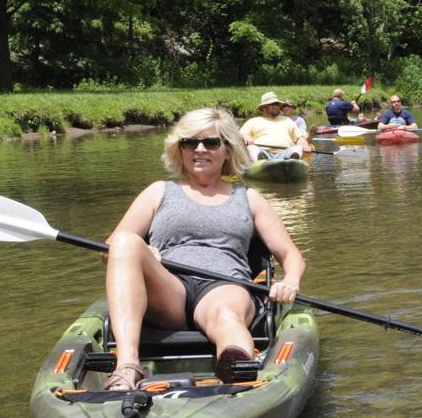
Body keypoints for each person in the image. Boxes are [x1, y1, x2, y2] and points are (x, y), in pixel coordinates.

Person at [101, 108, 306, 391]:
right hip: (168, 290)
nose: (199, 149)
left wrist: (290, 281)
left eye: (210, 143)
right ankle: (127, 368)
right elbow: (110, 250)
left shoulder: (249, 198)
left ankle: (236, 367)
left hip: (224, 285)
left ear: (227, 150)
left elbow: (291, 255)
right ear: (179, 149)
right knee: (125, 241)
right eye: (189, 143)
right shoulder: (158, 191)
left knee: (226, 315)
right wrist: (146, 252)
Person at [240, 91, 308, 160]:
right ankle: (261, 161)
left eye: (276, 104)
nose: (275, 106)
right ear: (264, 107)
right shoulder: (253, 121)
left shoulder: (287, 120)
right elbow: (240, 135)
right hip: (263, 152)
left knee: (298, 147)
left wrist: (305, 145)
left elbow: (299, 138)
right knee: (251, 147)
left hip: (286, 153)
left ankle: (293, 161)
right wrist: (246, 137)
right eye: (272, 104)